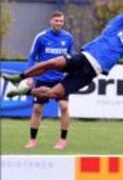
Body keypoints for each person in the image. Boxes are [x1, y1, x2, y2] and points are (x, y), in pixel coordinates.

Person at [3, 0, 123, 101]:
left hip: (90, 73)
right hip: (84, 58)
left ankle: (25, 92)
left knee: (55, 94)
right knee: (53, 62)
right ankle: (20, 76)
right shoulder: (114, 27)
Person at [9, 11, 73, 149]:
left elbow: (70, 58)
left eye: (61, 21)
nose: (59, 23)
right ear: (51, 21)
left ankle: (62, 140)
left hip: (60, 80)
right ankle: (32, 140)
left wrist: (70, 73)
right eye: (56, 20)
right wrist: (30, 76)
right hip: (43, 79)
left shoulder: (68, 38)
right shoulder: (41, 37)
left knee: (64, 107)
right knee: (37, 109)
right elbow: (32, 56)